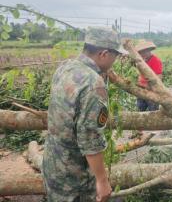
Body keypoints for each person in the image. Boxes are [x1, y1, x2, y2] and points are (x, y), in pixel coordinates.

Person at [42, 27, 127, 202]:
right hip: (75, 176)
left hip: (53, 163)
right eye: (115, 55)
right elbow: (90, 138)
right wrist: (102, 181)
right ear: (104, 54)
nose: (115, 60)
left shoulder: (66, 67)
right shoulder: (93, 84)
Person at [135, 39, 163, 111]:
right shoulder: (142, 61)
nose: (143, 53)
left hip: (152, 91)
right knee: (140, 111)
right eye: (141, 52)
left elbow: (159, 78)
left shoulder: (156, 61)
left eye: (144, 51)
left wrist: (149, 87)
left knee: (153, 112)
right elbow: (140, 75)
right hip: (141, 90)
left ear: (149, 50)